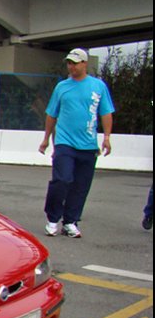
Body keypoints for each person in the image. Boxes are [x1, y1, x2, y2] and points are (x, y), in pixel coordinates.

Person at [39, 48, 114, 239]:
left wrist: (106, 137)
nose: (71, 66)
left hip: (88, 145)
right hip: (65, 142)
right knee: (62, 180)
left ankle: (70, 221)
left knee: (81, 186)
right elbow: (51, 114)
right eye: (69, 63)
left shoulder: (98, 86)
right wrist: (46, 139)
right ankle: (53, 219)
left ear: (84, 64)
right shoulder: (62, 87)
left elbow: (105, 112)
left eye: (75, 63)